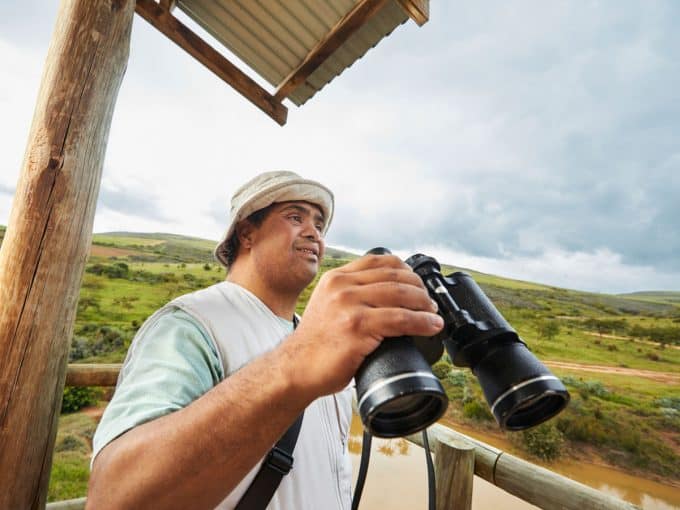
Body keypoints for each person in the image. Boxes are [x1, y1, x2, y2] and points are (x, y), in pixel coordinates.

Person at [87, 171, 443, 510]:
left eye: (319, 224)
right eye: (295, 217)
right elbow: (115, 497)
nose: (314, 233)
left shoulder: (322, 339)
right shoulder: (192, 323)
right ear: (246, 233)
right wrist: (294, 364)